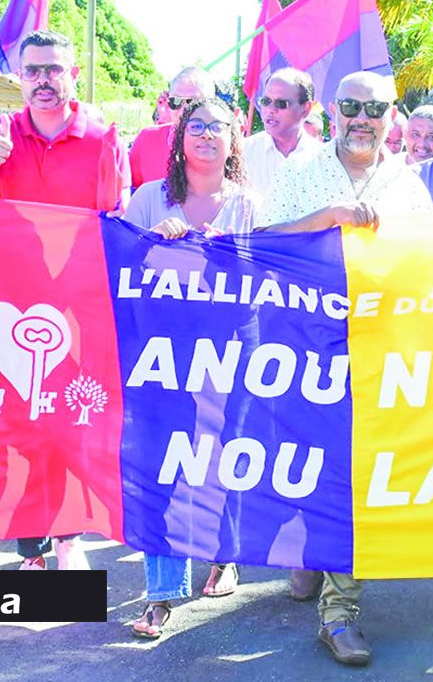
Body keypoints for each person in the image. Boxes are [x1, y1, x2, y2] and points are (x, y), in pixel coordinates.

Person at [259, 70, 433, 667]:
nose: (362, 118)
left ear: (394, 115)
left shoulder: (409, 185)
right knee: (311, 463)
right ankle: (310, 551)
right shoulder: (300, 173)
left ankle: (339, 614)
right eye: (351, 107)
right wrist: (323, 217)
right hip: (307, 348)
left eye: (375, 108)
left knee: (354, 475)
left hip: (380, 346)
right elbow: (261, 242)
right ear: (332, 111)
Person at [0, 29, 128, 571]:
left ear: (72, 73)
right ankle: (32, 548)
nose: (43, 80)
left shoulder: (101, 136)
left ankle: (69, 539)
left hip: (76, 305)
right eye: (32, 71)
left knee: (71, 423)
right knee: (21, 426)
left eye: (53, 69)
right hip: (10, 307)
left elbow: (111, 221)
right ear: (18, 77)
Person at [122, 97, 260, 636]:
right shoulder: (149, 198)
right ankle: (160, 591)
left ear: (233, 141)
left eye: (217, 128)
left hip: (234, 342)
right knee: (164, 457)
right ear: (180, 138)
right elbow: (117, 259)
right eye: (196, 126)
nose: (205, 135)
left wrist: (236, 256)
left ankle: (223, 554)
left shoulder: (249, 205)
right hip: (164, 346)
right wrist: (152, 243)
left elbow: (270, 277)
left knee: (231, 449)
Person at [128, 66, 216, 191]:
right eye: (176, 101)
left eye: (193, 102)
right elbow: (128, 194)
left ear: (211, 104)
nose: (184, 109)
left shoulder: (222, 145)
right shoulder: (147, 139)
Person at [242, 68, 323, 197]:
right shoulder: (242, 153)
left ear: (306, 109)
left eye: (281, 103)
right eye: (266, 101)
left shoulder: (323, 159)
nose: (270, 110)